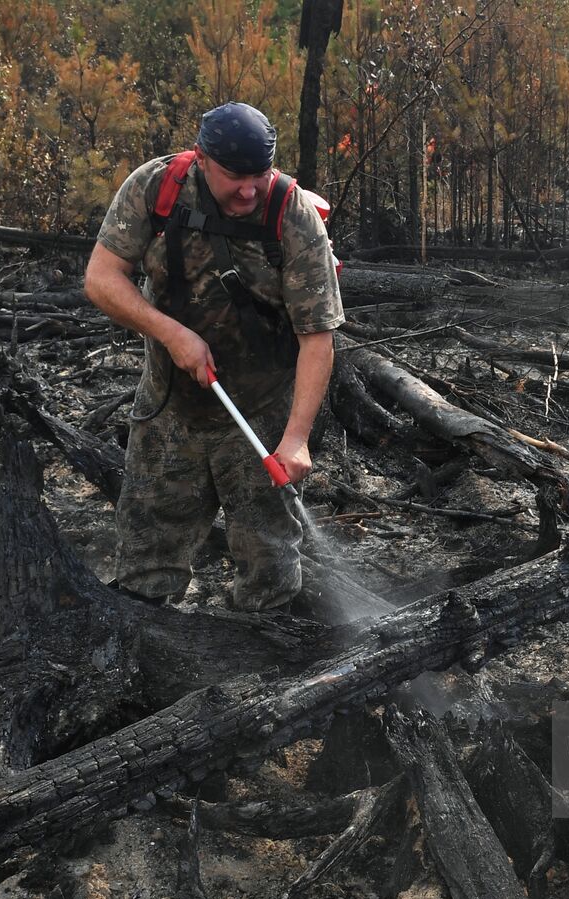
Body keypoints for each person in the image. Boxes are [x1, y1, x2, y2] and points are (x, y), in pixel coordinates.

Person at [84, 101, 343, 612]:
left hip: (262, 409)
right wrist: (172, 334)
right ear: (201, 158)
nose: (248, 191)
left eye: (259, 175)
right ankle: (145, 646)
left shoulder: (293, 215)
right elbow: (100, 278)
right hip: (168, 404)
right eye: (234, 177)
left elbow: (317, 337)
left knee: (269, 565)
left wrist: (294, 441)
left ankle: (265, 665)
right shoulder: (155, 188)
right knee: (145, 557)